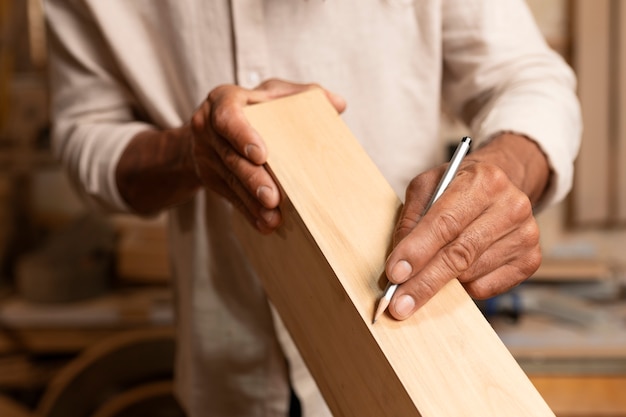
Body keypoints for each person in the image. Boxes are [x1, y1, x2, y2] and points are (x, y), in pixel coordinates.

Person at [43, 0, 581, 416]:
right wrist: (188, 152)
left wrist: (507, 167)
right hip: (228, 375)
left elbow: (531, 79)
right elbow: (85, 135)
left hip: (415, 359)